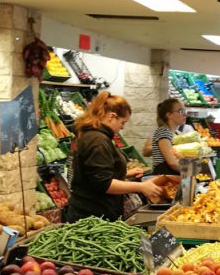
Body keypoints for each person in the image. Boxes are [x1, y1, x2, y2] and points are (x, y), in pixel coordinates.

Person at [66, 92, 163, 222]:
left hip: (93, 211)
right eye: (122, 123)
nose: (122, 128)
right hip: (92, 216)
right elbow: (104, 184)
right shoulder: (97, 140)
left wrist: (125, 174)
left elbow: (93, 175)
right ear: (111, 116)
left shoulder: (94, 136)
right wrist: (141, 187)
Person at [149, 99, 186, 175]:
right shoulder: (163, 132)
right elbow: (173, 163)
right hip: (165, 180)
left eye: (185, 111)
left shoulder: (175, 133)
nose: (185, 115)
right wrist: (191, 171)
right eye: (181, 111)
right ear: (169, 115)